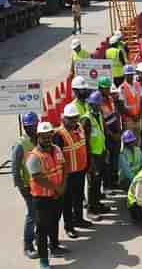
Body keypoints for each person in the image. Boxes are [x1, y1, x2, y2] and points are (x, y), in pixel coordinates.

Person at [27, 122, 69, 269]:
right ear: (38, 137)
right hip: (42, 199)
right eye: (44, 137)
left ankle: (55, 247)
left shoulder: (56, 149)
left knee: (54, 223)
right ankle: (44, 260)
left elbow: (64, 167)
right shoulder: (34, 156)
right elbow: (38, 178)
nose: (47, 139)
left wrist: (63, 186)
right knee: (42, 230)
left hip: (57, 196)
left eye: (49, 135)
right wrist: (56, 188)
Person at [54, 104, 89, 238]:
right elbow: (57, 157)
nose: (73, 121)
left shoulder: (79, 128)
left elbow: (84, 146)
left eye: (75, 118)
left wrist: (87, 164)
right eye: (70, 119)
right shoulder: (59, 134)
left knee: (79, 197)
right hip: (67, 174)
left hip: (80, 170)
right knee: (67, 202)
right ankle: (69, 227)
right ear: (64, 119)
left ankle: (79, 219)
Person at [11, 112, 39, 259]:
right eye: (29, 126)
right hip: (27, 186)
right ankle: (28, 245)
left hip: (39, 183)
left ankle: (36, 236)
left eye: (34, 125)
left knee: (39, 213)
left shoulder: (39, 139)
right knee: (32, 214)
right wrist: (21, 186)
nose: (32, 128)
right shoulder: (20, 145)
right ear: (25, 127)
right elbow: (15, 169)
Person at [81, 92, 109, 219]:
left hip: (101, 153)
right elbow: (85, 141)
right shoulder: (86, 119)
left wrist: (105, 150)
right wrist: (90, 160)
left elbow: (101, 134)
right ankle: (91, 210)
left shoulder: (99, 115)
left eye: (98, 104)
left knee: (98, 182)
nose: (96, 106)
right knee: (92, 183)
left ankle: (97, 204)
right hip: (93, 156)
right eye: (94, 104)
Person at [98, 76, 122, 188]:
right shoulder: (98, 103)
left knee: (115, 158)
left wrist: (119, 131)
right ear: (100, 89)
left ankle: (114, 180)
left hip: (115, 131)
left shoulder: (111, 99)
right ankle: (107, 183)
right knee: (107, 160)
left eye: (108, 88)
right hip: (108, 135)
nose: (108, 90)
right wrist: (113, 135)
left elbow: (116, 114)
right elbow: (102, 123)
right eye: (105, 88)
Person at [120, 64, 142, 142]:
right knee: (129, 141)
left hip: (138, 118)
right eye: (128, 75)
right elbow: (122, 106)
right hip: (128, 120)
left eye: (131, 74)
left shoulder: (137, 85)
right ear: (125, 75)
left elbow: (140, 101)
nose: (130, 76)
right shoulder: (122, 88)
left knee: (138, 140)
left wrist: (139, 115)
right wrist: (133, 116)